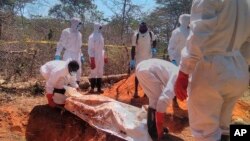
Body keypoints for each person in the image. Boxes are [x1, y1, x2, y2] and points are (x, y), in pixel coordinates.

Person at [174, 1, 250, 141]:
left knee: (205, 133)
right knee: (224, 127)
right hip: (238, 69)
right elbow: (247, 43)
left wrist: (184, 71)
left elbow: (198, 34)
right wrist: (240, 66)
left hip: (210, 69)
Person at [136, 58, 178, 140]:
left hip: (143, 67)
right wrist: (160, 134)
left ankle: (153, 128)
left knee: (154, 98)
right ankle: (153, 131)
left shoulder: (179, 73)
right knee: (157, 99)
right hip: (146, 70)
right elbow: (162, 101)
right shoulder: (177, 80)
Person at [130, 22, 157, 98]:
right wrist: (132, 60)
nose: (142, 28)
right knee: (138, 74)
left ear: (146, 27)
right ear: (139, 27)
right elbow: (133, 48)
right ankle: (136, 92)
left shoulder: (151, 34)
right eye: (141, 27)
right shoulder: (136, 35)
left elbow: (154, 41)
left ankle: (146, 92)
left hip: (148, 57)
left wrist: (154, 48)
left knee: (148, 74)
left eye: (144, 27)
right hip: (139, 58)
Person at [54, 17, 84, 84]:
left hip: (77, 55)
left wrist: (81, 55)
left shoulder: (79, 34)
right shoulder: (66, 31)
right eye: (79, 24)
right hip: (69, 54)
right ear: (74, 23)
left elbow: (79, 46)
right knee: (68, 71)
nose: (80, 26)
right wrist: (57, 54)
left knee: (78, 71)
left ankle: (75, 88)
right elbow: (61, 43)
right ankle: (66, 89)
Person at [88, 23, 108, 93]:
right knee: (93, 71)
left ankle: (99, 88)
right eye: (99, 27)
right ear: (96, 27)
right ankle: (92, 88)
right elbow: (90, 49)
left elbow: (102, 48)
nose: (100, 29)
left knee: (100, 72)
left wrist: (105, 56)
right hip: (94, 55)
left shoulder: (101, 36)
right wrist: (92, 60)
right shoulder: (91, 37)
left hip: (101, 55)